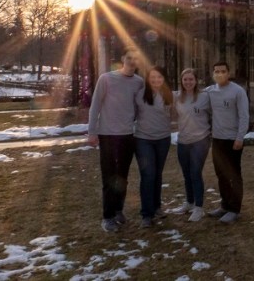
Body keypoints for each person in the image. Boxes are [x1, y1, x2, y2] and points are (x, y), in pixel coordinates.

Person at [87, 46, 145, 233]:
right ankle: (107, 217)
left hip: (127, 135)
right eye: (129, 58)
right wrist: (92, 131)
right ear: (123, 58)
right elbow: (95, 106)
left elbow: (139, 106)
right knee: (109, 177)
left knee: (122, 177)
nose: (132, 61)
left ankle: (119, 210)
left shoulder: (139, 82)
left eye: (136, 59)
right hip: (108, 135)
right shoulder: (106, 79)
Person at [205, 60, 249, 224]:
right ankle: (224, 205)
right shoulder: (210, 91)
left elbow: (244, 116)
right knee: (221, 174)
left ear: (228, 73)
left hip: (233, 140)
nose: (220, 74)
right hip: (217, 139)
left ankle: (234, 209)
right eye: (216, 71)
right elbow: (191, 96)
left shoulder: (238, 91)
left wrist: (240, 137)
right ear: (213, 73)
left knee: (234, 175)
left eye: (223, 71)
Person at [134, 65, 174, 228]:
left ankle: (157, 207)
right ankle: (146, 214)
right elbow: (128, 111)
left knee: (157, 174)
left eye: (159, 77)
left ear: (164, 79)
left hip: (163, 139)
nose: (156, 80)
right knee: (148, 175)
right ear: (148, 79)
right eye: (153, 77)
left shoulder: (170, 95)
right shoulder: (140, 95)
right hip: (143, 140)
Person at [171, 67, 211, 222]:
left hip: (200, 141)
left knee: (195, 173)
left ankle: (199, 207)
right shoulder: (176, 97)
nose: (188, 82)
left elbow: (217, 110)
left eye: (191, 79)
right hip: (183, 141)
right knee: (187, 174)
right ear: (181, 81)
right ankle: (189, 202)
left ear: (196, 80)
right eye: (185, 79)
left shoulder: (205, 96)